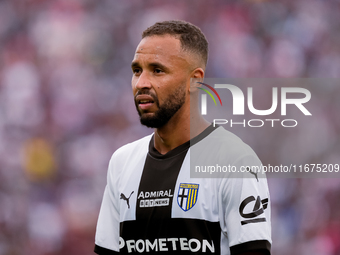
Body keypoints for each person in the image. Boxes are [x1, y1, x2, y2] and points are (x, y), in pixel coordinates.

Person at [94, 20, 271, 255]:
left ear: (195, 80)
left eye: (157, 70)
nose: (141, 83)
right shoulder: (122, 162)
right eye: (137, 70)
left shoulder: (236, 161)